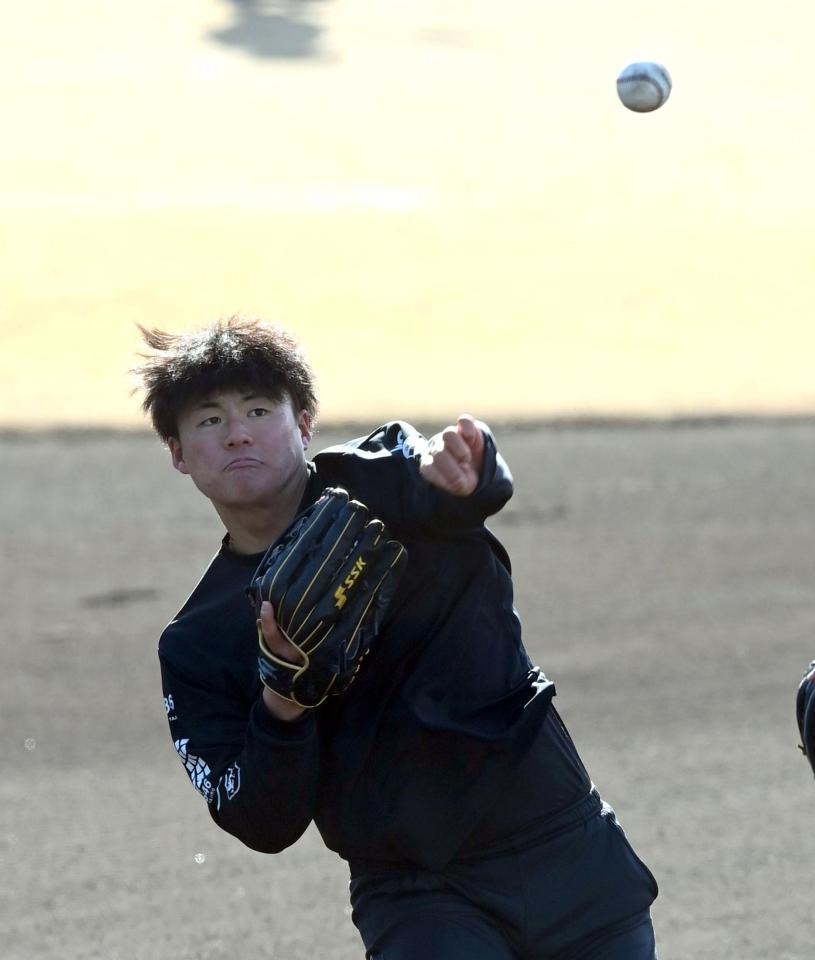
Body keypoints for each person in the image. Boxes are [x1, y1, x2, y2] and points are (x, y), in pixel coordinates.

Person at [135, 315, 659, 959]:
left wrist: (470, 469)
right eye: (209, 420)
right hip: (418, 896)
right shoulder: (198, 641)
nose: (238, 431)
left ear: (303, 425)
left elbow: (459, 483)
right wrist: (283, 705)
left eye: (259, 409)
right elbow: (258, 820)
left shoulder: (380, 478)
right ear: (179, 453)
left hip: (561, 844)